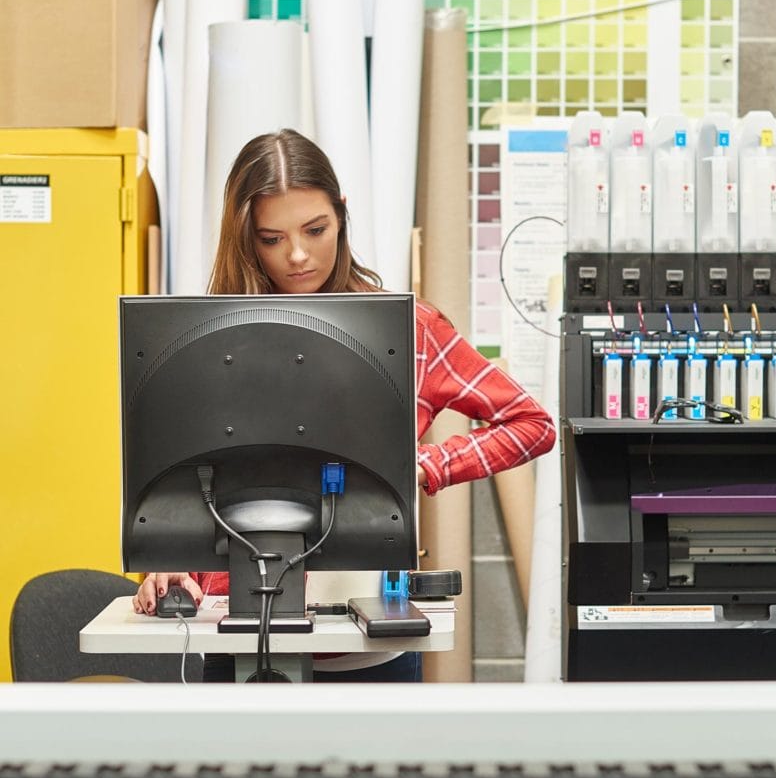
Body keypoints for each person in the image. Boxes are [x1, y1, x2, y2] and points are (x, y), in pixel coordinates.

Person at [133, 129, 556, 681]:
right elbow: (188, 476)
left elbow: (532, 423)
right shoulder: (202, 341)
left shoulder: (408, 330)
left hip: (367, 648)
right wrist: (168, 568)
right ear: (244, 239)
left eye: (315, 229)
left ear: (342, 216)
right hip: (233, 638)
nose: (299, 254)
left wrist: (422, 467)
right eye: (271, 238)